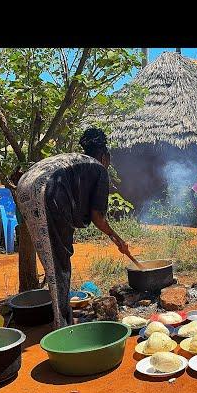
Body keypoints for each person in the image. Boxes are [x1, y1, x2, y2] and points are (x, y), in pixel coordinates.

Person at [16, 128, 131, 329]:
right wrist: (118, 240)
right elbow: (98, 217)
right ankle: (62, 325)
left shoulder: (74, 161)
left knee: (51, 259)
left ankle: (59, 313)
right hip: (50, 191)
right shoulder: (98, 168)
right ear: (105, 156)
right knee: (59, 262)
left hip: (25, 186)